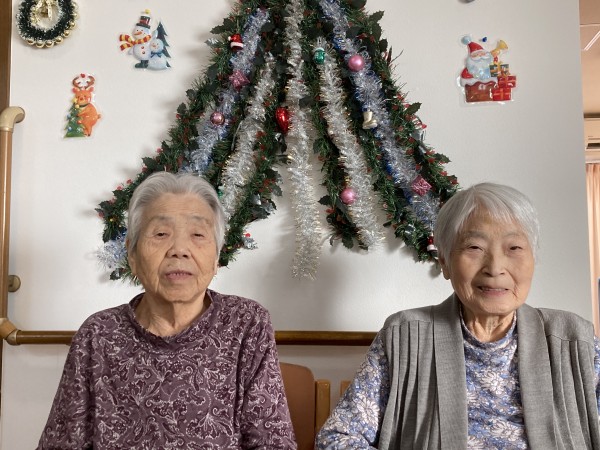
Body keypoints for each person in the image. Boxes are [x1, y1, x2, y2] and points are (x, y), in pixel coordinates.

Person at [316, 182, 600, 449]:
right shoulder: (403, 336)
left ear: (533, 259)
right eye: (475, 247)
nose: (495, 267)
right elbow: (337, 438)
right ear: (445, 262)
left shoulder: (574, 339)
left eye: (514, 248)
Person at [37, 171, 297, 449]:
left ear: (216, 257)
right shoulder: (98, 335)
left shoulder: (246, 323)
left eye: (198, 234)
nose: (179, 249)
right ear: (132, 254)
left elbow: (272, 442)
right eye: (161, 234)